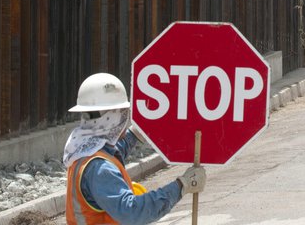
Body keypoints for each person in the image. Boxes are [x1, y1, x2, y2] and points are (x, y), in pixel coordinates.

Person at [64, 73, 206, 225]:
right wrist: (181, 186)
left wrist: (138, 132)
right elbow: (132, 212)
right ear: (114, 119)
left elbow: (115, 152)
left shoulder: (83, 150)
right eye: (124, 115)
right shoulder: (100, 168)